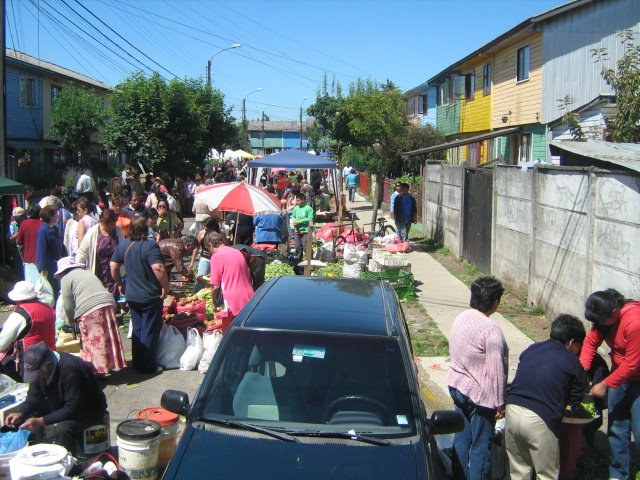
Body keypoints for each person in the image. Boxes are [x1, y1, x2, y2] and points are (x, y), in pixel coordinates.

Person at [505, 314, 585, 480]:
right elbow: (575, 401)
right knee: (546, 475)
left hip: (512, 411)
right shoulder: (572, 362)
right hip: (540, 420)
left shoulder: (531, 349)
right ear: (571, 343)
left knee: (519, 471)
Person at [447, 276, 507, 480]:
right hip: (480, 396)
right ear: (496, 303)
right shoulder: (491, 330)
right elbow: (496, 369)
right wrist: (499, 403)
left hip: (457, 388)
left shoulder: (461, 317)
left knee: (462, 440)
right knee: (481, 447)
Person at [5, 341, 108, 457]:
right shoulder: (42, 368)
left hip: (86, 410)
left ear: (48, 365)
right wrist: (21, 412)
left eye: (38, 374)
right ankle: (41, 456)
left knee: (63, 429)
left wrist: (40, 421)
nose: (37, 378)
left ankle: (66, 463)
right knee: (29, 418)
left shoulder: (70, 370)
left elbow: (72, 408)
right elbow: (34, 396)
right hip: (63, 404)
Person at [580, 288, 640, 480]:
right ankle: (618, 473)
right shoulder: (603, 321)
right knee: (616, 426)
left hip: (635, 377)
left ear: (614, 312)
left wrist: (604, 384)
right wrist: (581, 372)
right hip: (620, 376)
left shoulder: (634, 322)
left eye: (599, 321)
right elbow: (590, 344)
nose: (596, 325)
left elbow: (632, 364)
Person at [110, 216, 169, 373]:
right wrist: (166, 287)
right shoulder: (150, 246)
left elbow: (113, 266)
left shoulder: (123, 245)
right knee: (149, 329)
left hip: (132, 295)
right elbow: (158, 268)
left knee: (138, 329)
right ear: (145, 230)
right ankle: (148, 366)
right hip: (149, 295)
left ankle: (137, 363)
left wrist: (119, 284)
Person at [56, 257, 126, 375]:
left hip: (90, 308)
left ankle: (97, 371)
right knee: (107, 336)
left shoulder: (66, 279)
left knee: (93, 341)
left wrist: (71, 322)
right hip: (108, 303)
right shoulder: (86, 272)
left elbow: (68, 305)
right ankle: (110, 365)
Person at [0, 282, 55, 381]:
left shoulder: (20, 314)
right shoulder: (48, 308)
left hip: (29, 361)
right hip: (50, 355)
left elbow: (2, 343)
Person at [76, 209, 124, 297]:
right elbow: (81, 254)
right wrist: (78, 273)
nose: (113, 226)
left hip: (115, 275)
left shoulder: (118, 231)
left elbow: (123, 249)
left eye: (114, 222)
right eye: (110, 224)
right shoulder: (92, 233)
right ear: (103, 222)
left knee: (115, 303)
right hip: (98, 274)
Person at [205, 231, 254, 317]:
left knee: (230, 329)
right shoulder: (237, 252)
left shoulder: (216, 257)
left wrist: (214, 301)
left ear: (211, 245)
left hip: (233, 300)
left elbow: (215, 286)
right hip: (249, 296)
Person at [36, 205, 67, 297]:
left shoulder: (54, 228)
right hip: (49, 266)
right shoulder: (43, 230)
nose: (58, 216)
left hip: (58, 264)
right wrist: (42, 268)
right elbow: (41, 250)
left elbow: (60, 245)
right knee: (52, 289)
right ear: (50, 216)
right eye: (56, 214)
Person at [16, 205, 42, 285]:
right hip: (41, 259)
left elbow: (19, 241)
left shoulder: (24, 224)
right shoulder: (43, 224)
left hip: (28, 259)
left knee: (30, 285)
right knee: (42, 285)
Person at [189, 217, 220, 287]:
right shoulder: (202, 234)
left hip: (216, 260)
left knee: (214, 281)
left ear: (213, 228)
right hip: (205, 258)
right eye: (205, 228)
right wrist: (192, 262)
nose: (206, 230)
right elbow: (197, 247)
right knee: (200, 279)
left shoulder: (219, 234)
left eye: (208, 229)